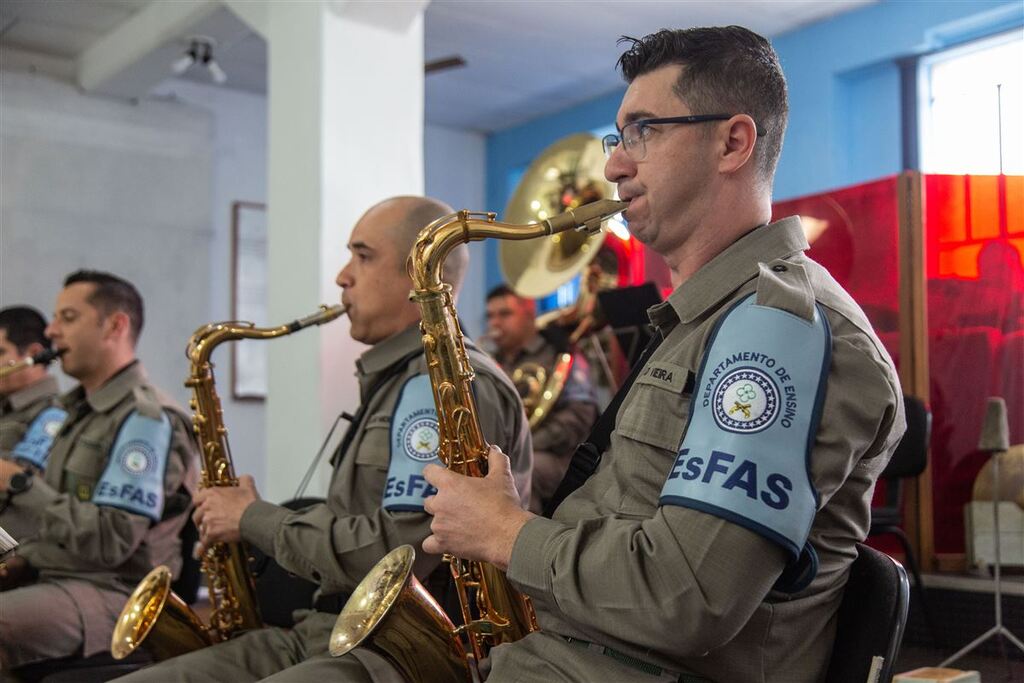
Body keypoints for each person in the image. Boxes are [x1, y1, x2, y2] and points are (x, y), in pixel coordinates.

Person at [421, 27, 906, 682]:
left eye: (644, 131)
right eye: (616, 139)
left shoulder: (777, 329)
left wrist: (508, 533)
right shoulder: (704, 319)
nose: (615, 166)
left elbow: (689, 597)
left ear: (732, 142)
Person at [116, 196, 533, 683]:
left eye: (362, 255)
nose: (342, 276)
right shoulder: (399, 381)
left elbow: (397, 556)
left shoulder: (440, 388)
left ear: (418, 272)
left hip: (397, 651)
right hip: (324, 631)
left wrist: (253, 519)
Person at [0, 271, 200, 673]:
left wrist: (18, 483)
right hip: (54, 575)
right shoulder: (74, 412)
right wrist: (22, 560)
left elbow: (111, 542)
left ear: (115, 325)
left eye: (68, 318)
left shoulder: (146, 420)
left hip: (113, 596)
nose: (53, 330)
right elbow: (54, 523)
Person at [483, 284, 598, 514]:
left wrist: (522, 446)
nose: (495, 323)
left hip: (560, 457)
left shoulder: (559, 354)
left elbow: (579, 417)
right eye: (490, 316)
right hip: (509, 451)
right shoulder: (489, 362)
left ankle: (519, 545)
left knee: (519, 472)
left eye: (504, 314)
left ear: (529, 314)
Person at [0, 306, 66, 540]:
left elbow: (15, 490)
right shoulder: (5, 408)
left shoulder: (53, 415)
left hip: (17, 545)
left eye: (0, 353)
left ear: (34, 354)